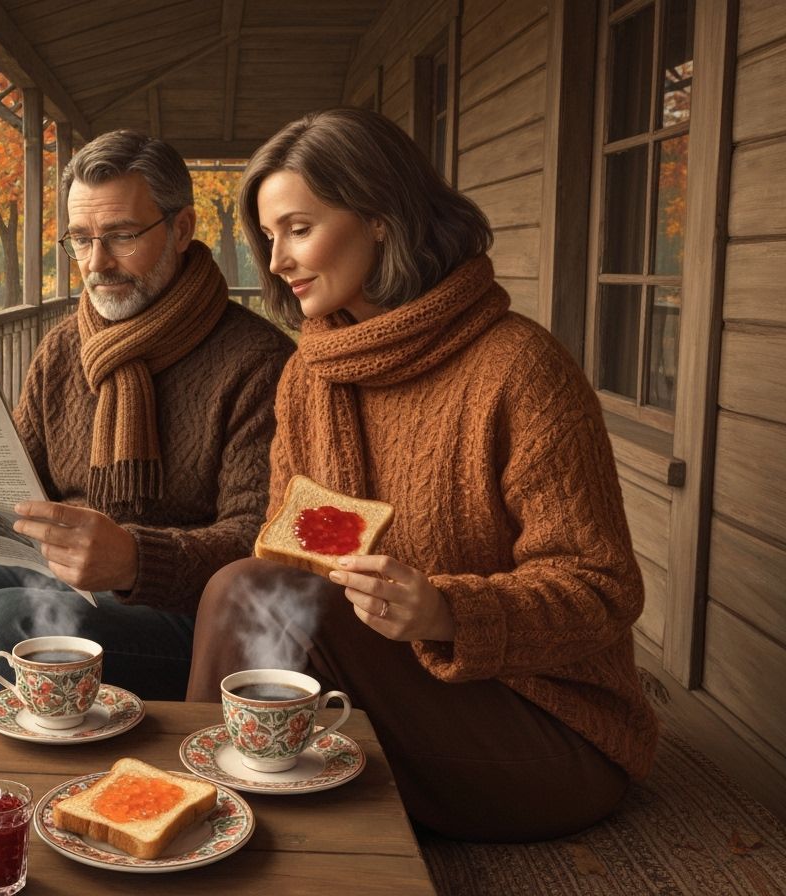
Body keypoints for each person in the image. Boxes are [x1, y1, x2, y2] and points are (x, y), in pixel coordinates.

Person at [185, 108, 658, 842]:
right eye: (269, 236)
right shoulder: (311, 376)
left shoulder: (519, 369)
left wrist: (447, 614)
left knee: (244, 590)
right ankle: (224, 826)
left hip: (546, 726)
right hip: (387, 687)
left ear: (380, 217)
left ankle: (209, 824)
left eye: (298, 228)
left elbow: (604, 586)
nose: (275, 261)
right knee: (249, 589)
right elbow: (286, 568)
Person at [0, 129, 295, 700]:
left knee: (1, 625)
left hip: (185, 617)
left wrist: (136, 561)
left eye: (121, 236)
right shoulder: (64, 348)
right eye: (80, 240)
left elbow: (261, 544)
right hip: (48, 581)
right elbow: (3, 500)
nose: (97, 262)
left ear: (182, 228)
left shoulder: (259, 362)